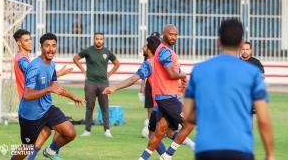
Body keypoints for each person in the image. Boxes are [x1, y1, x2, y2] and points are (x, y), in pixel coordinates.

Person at [184, 19, 274, 160]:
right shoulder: (252, 73)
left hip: (206, 149)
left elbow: (187, 114)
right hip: (239, 148)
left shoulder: (199, 70)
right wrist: (269, 154)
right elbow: (263, 119)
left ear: (218, 41)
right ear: (241, 42)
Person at [103, 35, 194, 157]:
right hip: (167, 102)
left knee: (161, 133)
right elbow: (178, 75)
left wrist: (114, 87)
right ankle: (166, 155)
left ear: (150, 48)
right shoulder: (166, 60)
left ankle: (177, 151)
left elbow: (133, 78)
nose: (143, 47)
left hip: (161, 104)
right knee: (158, 134)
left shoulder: (149, 64)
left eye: (145, 45)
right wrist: (182, 82)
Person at [11, 33, 85, 160]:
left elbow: (54, 86)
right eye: (47, 46)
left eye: (53, 45)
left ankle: (51, 151)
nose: (51, 49)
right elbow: (27, 95)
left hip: (46, 108)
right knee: (27, 146)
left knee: (70, 133)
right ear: (41, 47)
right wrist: (48, 89)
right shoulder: (34, 66)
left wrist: (73, 97)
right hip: (30, 114)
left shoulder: (52, 65)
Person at [138, 24, 194, 160]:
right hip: (167, 98)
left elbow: (171, 72)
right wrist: (183, 75)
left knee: (160, 131)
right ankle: (168, 155)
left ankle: (142, 158)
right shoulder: (164, 51)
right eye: (170, 34)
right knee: (189, 123)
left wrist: (181, 78)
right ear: (164, 34)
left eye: (175, 34)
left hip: (164, 98)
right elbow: (171, 74)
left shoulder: (166, 51)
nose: (173, 37)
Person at [73, 32, 120, 138]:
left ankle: (107, 130)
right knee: (89, 107)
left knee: (105, 107)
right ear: (94, 39)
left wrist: (110, 74)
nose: (99, 41)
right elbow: (75, 58)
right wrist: (82, 70)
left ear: (103, 40)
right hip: (90, 83)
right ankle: (87, 130)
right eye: (97, 39)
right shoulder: (88, 51)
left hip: (104, 83)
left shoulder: (107, 52)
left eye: (101, 39)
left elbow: (117, 63)